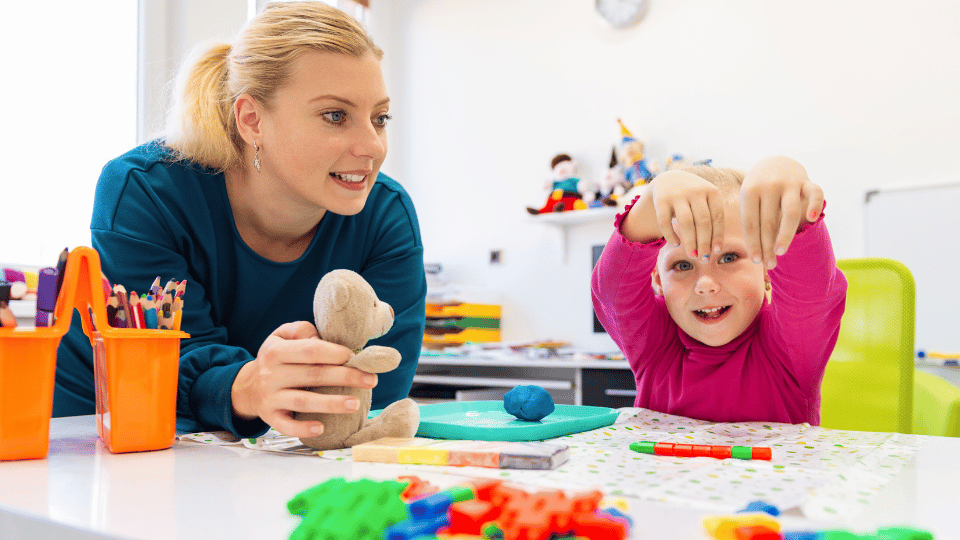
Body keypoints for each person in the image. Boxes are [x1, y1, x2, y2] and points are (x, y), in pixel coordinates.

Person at [53, 2, 426, 440]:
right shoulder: (146, 191)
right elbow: (161, 365)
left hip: (259, 449)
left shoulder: (386, 217)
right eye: (335, 116)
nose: (372, 146)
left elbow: (371, 394)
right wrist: (246, 386)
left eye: (379, 118)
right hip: (96, 431)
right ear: (251, 120)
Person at [591, 157, 847, 425]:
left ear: (766, 269)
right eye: (682, 265)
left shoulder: (790, 349)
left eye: (728, 258)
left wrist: (788, 188)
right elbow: (612, 293)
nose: (705, 284)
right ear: (657, 279)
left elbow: (810, 292)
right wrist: (651, 199)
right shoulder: (655, 345)